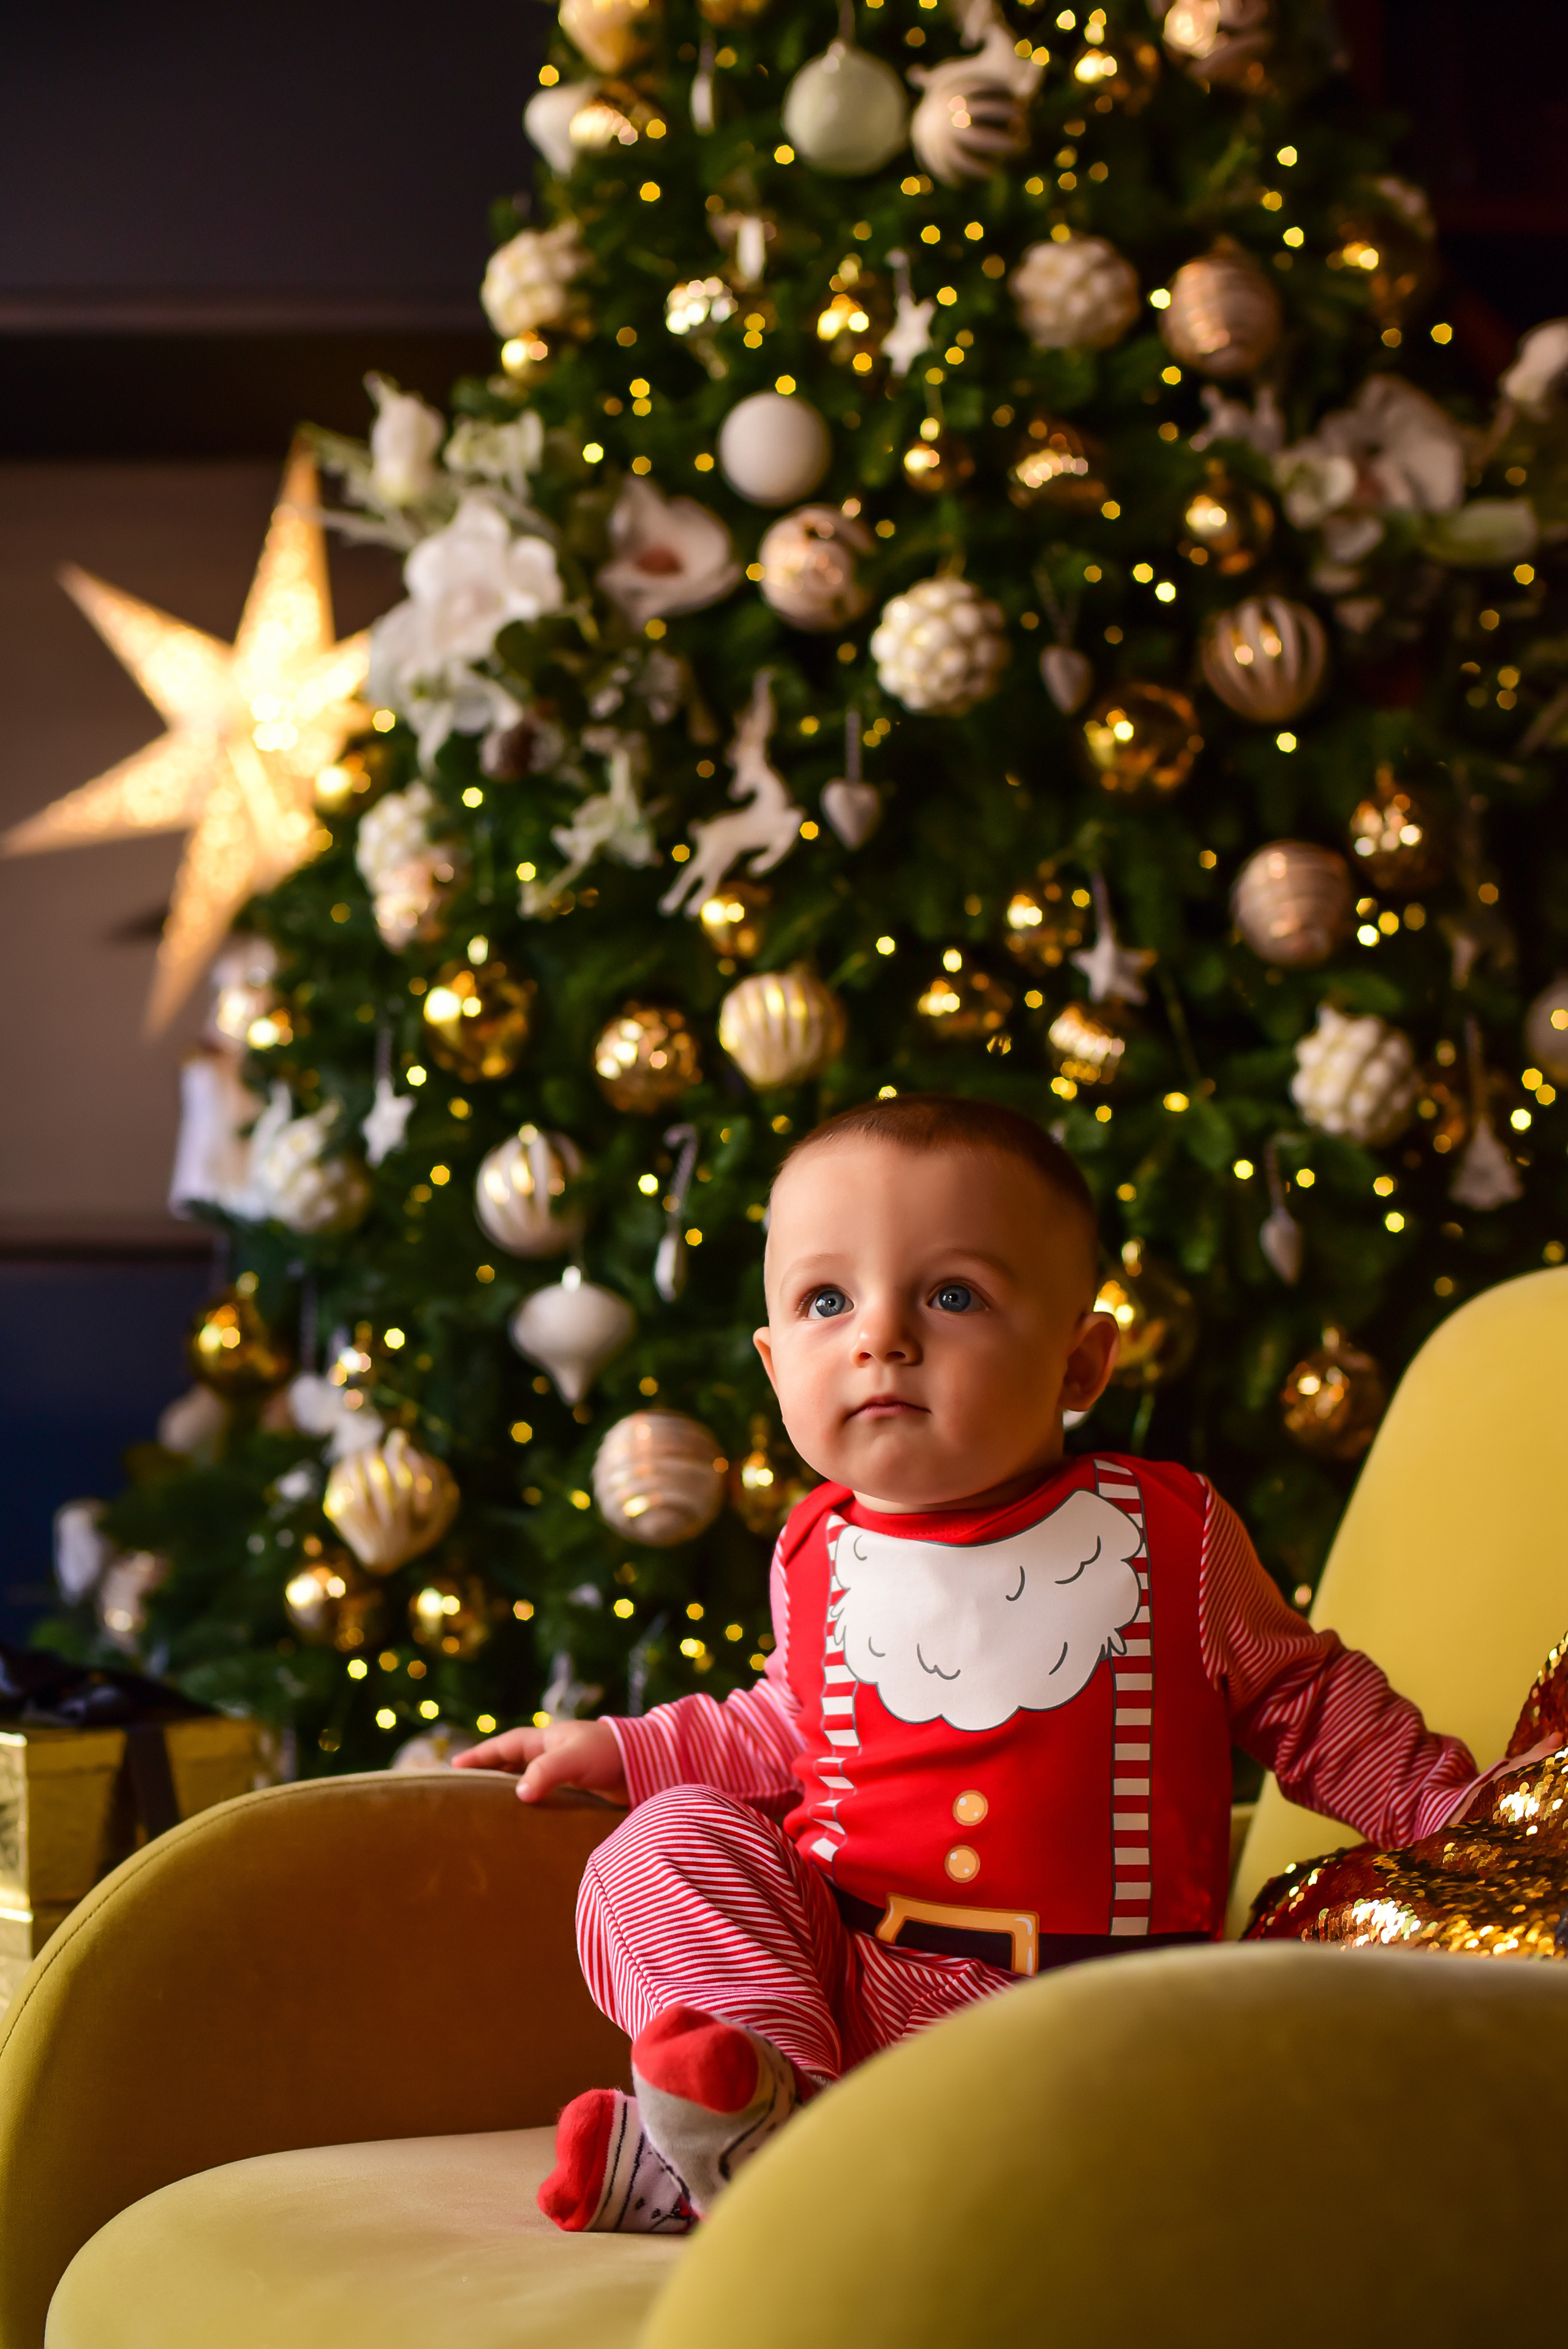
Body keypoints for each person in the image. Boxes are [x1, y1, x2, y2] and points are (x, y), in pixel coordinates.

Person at [456, 1092, 1544, 2234]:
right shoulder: (814, 1551)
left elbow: (1310, 1705)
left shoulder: (1171, 1532)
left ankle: (712, 2173)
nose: (882, 1335)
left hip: (1098, 2012)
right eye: (827, 1300)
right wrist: (623, 1747)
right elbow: (783, 1726)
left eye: (953, 1294)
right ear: (778, 1365)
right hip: (854, 1987)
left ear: (1079, 1363)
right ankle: (764, 2101)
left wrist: (1471, 1827)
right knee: (659, 1845)